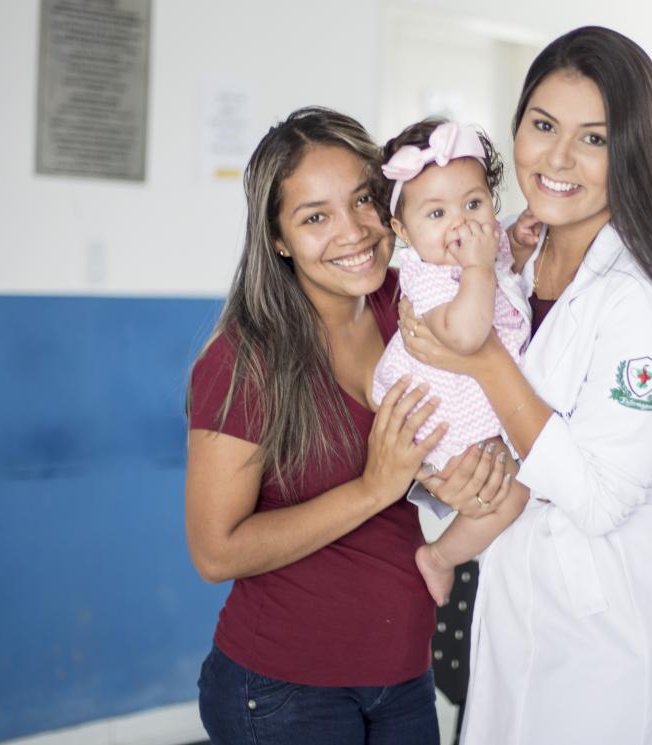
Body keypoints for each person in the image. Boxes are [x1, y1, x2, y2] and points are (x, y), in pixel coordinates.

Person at [401, 27, 652, 745]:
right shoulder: (514, 271)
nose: (557, 158)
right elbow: (489, 433)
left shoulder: (649, 306)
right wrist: (444, 480)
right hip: (520, 612)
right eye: (543, 125)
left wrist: (481, 357)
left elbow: (598, 496)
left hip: (616, 638)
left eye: (594, 138)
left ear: (634, 152)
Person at [184, 106, 513, 745]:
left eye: (363, 200)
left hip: (404, 675)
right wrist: (373, 487)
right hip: (281, 691)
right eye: (315, 217)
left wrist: (472, 473)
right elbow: (214, 551)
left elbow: (496, 330)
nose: (353, 231)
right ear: (278, 238)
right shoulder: (246, 361)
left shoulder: (412, 300)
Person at [369, 119, 531, 606]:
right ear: (402, 230)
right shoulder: (430, 277)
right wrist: (480, 267)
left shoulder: (477, 247)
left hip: (479, 398)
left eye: (474, 204)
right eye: (436, 214)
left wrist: (516, 242)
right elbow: (466, 334)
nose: (460, 225)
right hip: (446, 412)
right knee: (516, 493)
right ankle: (439, 557)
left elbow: (502, 267)